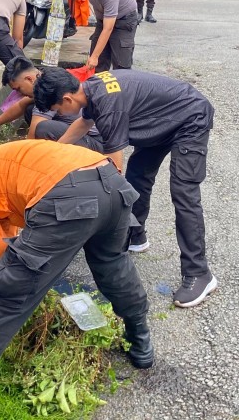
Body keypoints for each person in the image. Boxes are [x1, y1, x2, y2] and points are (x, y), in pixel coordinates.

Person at [0, 134, 152, 420]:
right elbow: (2, 244)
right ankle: (140, 342)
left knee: (9, 298)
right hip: (110, 182)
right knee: (113, 264)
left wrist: (20, 284)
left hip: (69, 193)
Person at [33, 67, 217, 309]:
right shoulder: (90, 88)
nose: (59, 114)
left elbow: (113, 170)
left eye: (56, 110)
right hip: (161, 121)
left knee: (184, 193)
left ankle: (199, 273)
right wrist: (54, 152)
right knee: (138, 176)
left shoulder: (109, 105)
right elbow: (84, 122)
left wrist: (107, 218)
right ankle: (136, 235)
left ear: (67, 99)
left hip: (190, 119)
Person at [0, 56, 103, 152]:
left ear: (29, 79)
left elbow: (32, 136)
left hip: (95, 143)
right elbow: (20, 105)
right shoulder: (43, 76)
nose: (20, 94)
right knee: (29, 109)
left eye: (19, 89)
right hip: (84, 134)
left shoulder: (48, 91)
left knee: (43, 129)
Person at [61, 0, 140, 72]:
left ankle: (123, 86)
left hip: (124, 20)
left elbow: (107, 29)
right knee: (97, 61)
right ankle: (99, 85)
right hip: (103, 19)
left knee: (121, 63)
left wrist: (94, 57)